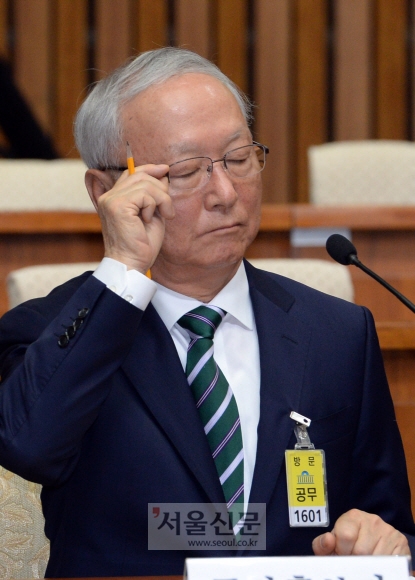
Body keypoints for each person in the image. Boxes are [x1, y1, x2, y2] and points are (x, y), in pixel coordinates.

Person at [0, 47, 414, 577]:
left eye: (239, 159)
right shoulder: (48, 332)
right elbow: (28, 446)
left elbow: (392, 528)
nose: (224, 193)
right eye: (186, 170)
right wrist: (125, 265)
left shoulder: (336, 333)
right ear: (107, 191)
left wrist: (388, 546)